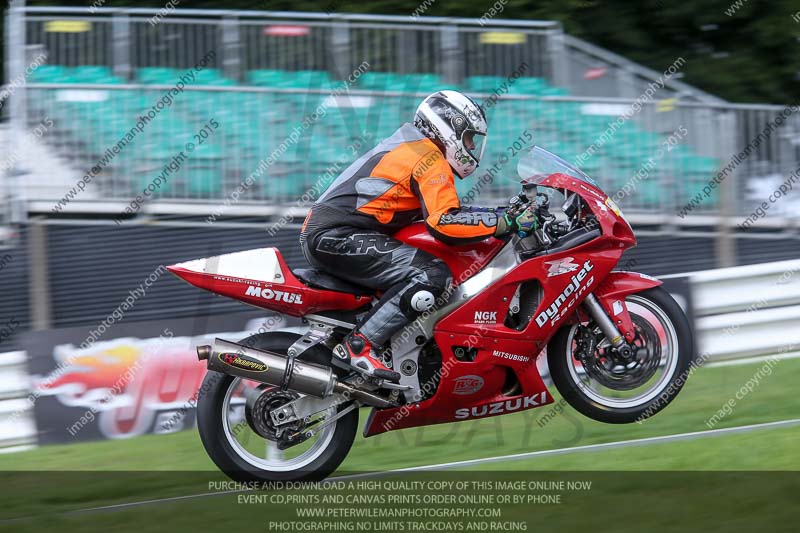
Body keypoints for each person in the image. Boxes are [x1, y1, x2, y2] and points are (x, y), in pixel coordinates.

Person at [300, 90, 537, 382]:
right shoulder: (428, 157)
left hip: (335, 233)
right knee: (431, 274)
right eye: (469, 138)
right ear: (450, 127)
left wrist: (501, 214)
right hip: (337, 235)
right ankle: (358, 346)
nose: (472, 147)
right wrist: (505, 222)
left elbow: (449, 211)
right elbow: (444, 222)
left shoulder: (415, 147)